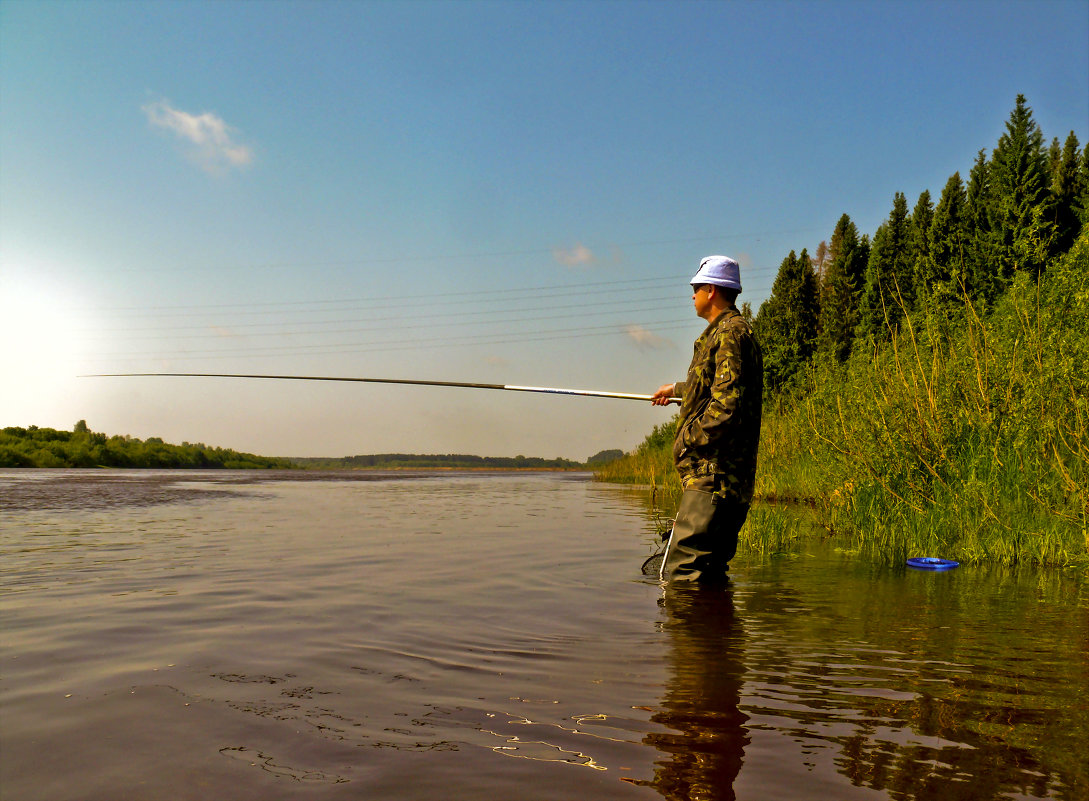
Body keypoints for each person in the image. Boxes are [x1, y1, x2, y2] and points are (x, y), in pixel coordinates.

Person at [651, 255, 763, 582]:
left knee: (683, 573)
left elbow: (726, 406)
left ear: (711, 290)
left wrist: (687, 441)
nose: (692, 295)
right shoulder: (729, 333)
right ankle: (716, 634)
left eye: (696, 288)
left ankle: (692, 633)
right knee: (709, 573)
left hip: (714, 477)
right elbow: (719, 384)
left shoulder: (730, 333)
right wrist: (676, 389)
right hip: (722, 482)